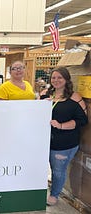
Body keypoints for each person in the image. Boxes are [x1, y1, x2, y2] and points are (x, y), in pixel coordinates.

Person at [40, 67, 87, 206]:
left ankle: (54, 195)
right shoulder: (45, 95)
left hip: (64, 143)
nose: (56, 80)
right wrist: (41, 102)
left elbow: (82, 120)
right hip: (44, 141)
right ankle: (51, 188)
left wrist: (61, 125)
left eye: (60, 77)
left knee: (58, 170)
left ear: (66, 79)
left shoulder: (75, 98)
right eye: (53, 77)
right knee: (47, 168)